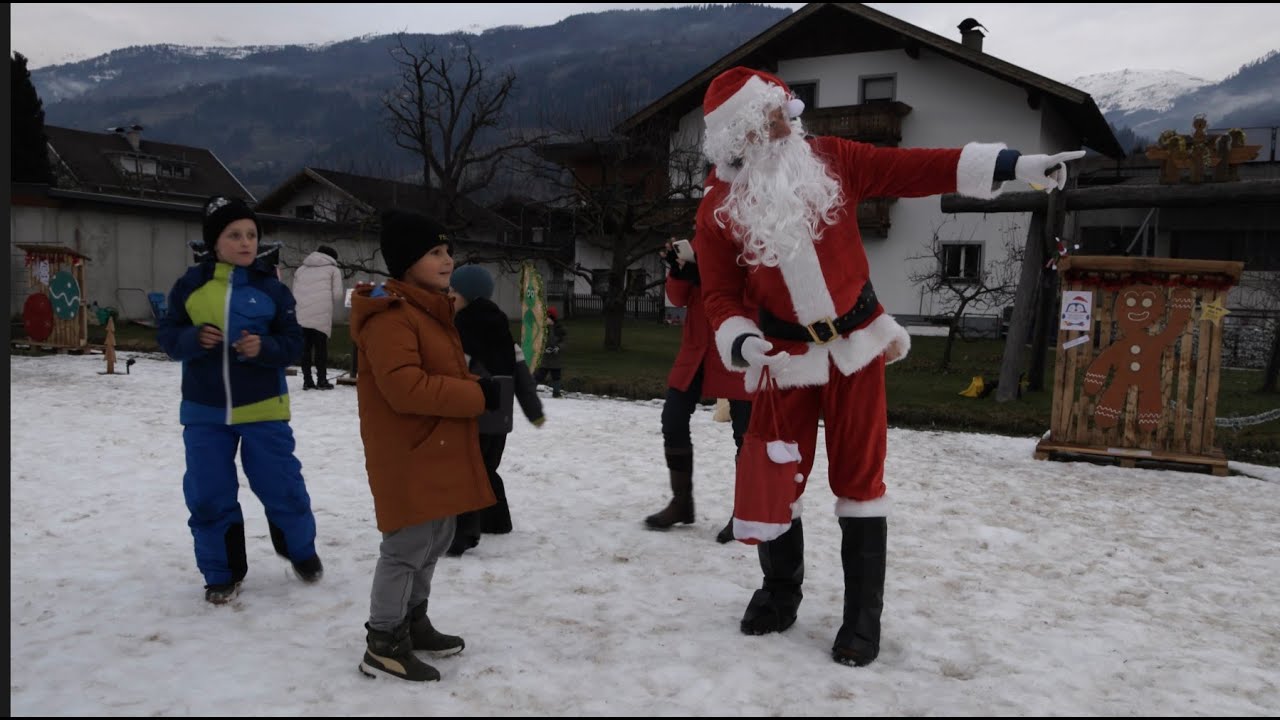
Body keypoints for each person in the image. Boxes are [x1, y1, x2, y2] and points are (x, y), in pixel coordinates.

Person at [692, 66, 1086, 667]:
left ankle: (861, 619)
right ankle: (778, 591)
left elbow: (919, 168)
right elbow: (718, 293)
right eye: (769, 117)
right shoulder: (719, 206)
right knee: (776, 478)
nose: (786, 121)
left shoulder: (833, 160)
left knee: (860, 484)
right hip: (783, 356)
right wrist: (742, 343)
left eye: (782, 110)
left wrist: (1014, 165)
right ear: (740, 134)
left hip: (855, 345)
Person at [350, 208, 502, 682]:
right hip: (408, 450)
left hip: (435, 446)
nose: (447, 259)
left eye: (448, 251)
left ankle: (413, 621)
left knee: (436, 538)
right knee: (407, 545)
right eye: (435, 252)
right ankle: (384, 639)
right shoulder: (391, 315)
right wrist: (477, 394)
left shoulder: (428, 309)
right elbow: (405, 388)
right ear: (406, 261)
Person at [157, 195, 323, 605]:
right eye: (234, 235)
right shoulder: (189, 287)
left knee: (281, 486)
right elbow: (168, 338)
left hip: (264, 408)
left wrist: (263, 348)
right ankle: (221, 573)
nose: (246, 242)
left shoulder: (272, 289)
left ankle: (300, 551)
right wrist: (192, 339)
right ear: (215, 241)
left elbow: (292, 345)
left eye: (251, 234)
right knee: (208, 493)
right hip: (204, 411)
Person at [644, 238, 752, 544]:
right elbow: (678, 299)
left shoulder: (751, 245)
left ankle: (745, 514)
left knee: (747, 436)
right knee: (672, 420)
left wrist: (706, 274)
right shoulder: (700, 247)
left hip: (737, 349)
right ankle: (681, 503)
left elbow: (756, 294)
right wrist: (679, 271)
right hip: (697, 350)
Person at [446, 264, 546, 557]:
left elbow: (453, 371)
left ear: (468, 295)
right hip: (500, 418)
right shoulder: (505, 334)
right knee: (487, 468)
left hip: (472, 414)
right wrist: (533, 411)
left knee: (467, 471)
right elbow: (523, 379)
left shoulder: (460, 332)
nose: (449, 295)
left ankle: (465, 532)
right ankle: (497, 521)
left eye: (453, 290)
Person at [291, 244, 344, 390]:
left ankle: (307, 381)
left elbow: (294, 291)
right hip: (321, 313)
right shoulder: (333, 270)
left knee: (305, 348)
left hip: (301, 312)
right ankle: (322, 380)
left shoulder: (300, 269)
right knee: (321, 348)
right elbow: (337, 295)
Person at [535, 307, 567, 397]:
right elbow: (539, 341)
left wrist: (558, 348)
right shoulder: (542, 329)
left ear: (552, 318)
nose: (545, 319)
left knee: (556, 376)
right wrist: (544, 349)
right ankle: (531, 390)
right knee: (539, 375)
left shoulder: (560, 330)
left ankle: (556, 393)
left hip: (556, 359)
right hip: (545, 358)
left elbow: (564, 342)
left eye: (548, 317)